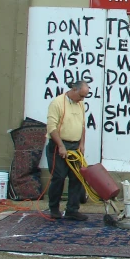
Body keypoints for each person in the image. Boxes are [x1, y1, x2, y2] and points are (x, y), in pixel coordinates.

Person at [46, 80, 89, 221]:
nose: (82, 99)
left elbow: (82, 125)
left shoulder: (80, 104)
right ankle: (54, 208)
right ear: (74, 90)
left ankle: (72, 209)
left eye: (84, 97)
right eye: (81, 96)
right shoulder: (57, 103)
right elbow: (51, 127)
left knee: (77, 177)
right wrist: (61, 146)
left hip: (75, 145)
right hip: (59, 144)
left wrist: (82, 143)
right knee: (58, 177)